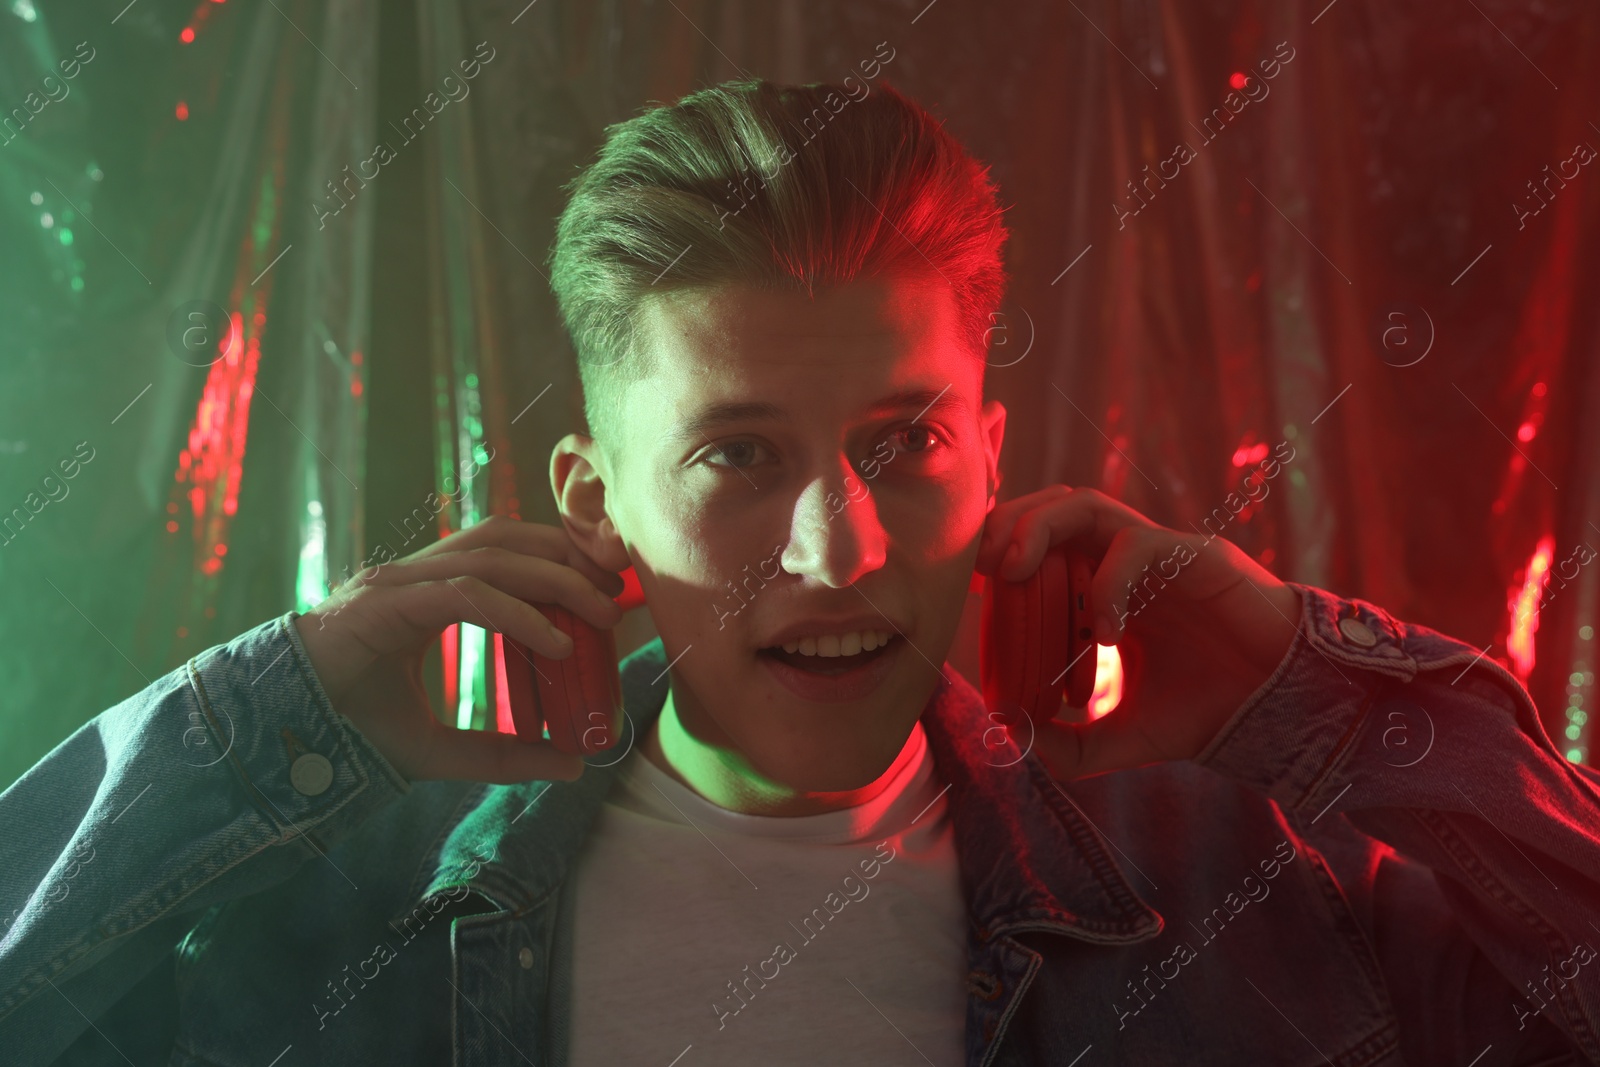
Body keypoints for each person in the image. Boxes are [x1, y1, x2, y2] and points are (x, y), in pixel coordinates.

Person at [3, 78, 1597, 1067]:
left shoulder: (1249, 895)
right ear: (594, 501)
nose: (838, 554)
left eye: (902, 445)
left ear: (993, 456)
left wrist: (1308, 694)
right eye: (738, 456)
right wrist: (267, 716)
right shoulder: (343, 921)